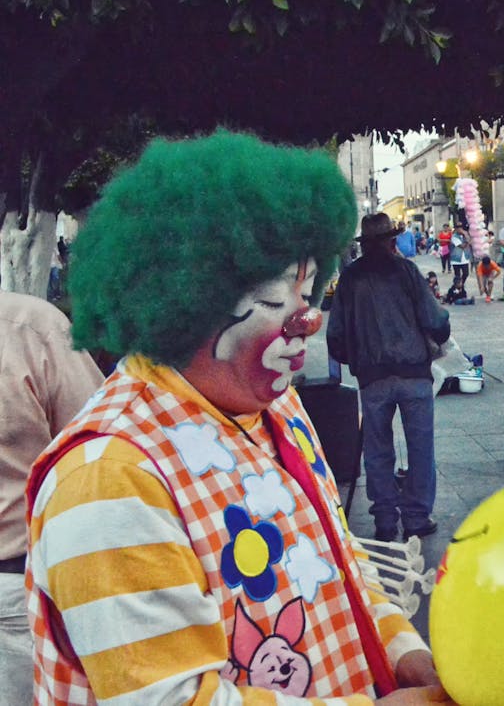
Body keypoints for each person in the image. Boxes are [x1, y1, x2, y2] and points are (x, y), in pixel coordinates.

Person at [29, 132, 450, 703]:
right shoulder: (107, 480)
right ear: (185, 302)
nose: (309, 323)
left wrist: (407, 657)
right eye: (279, 300)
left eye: (311, 294)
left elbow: (339, 562)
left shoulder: (278, 408)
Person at [0, 291, 103, 704]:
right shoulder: (28, 327)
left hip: (18, 595)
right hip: (20, 593)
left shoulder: (29, 328)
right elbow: (97, 448)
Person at [329, 211, 451, 547]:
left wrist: (355, 358)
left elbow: (335, 335)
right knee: (420, 448)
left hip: (373, 377)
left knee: (377, 450)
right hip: (413, 373)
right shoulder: (406, 271)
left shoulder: (351, 279)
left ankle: (385, 520)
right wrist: (440, 333)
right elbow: (434, 319)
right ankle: (416, 518)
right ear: (391, 241)